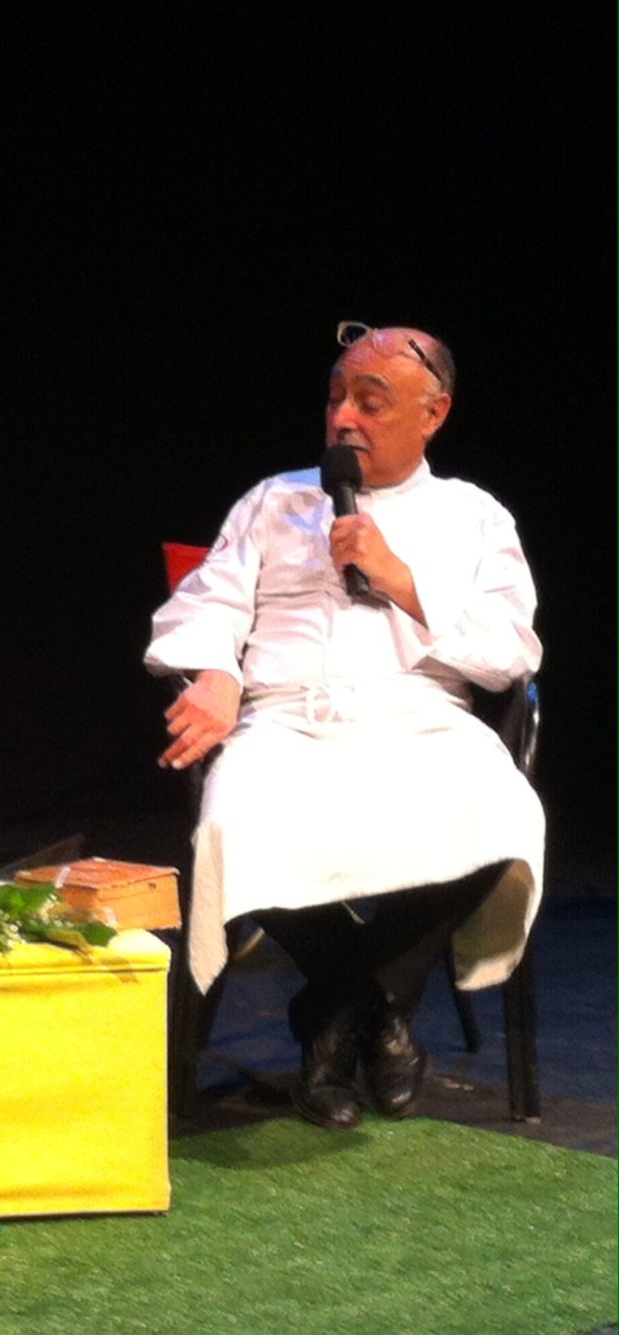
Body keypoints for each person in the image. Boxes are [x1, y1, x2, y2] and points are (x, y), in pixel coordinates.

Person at [145, 322, 544, 1130]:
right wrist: (217, 671)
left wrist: (401, 579)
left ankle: (330, 1020)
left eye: (371, 401)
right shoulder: (274, 500)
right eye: (335, 399)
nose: (343, 418)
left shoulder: (475, 516)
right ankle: (374, 1010)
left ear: (434, 413)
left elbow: (510, 651)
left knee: (501, 813)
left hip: (422, 718)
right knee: (236, 821)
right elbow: (207, 603)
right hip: (286, 721)